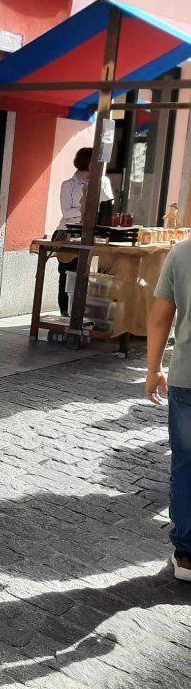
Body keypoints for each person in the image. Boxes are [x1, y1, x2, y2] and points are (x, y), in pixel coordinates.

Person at [146, 239, 191, 581]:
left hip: (187, 377)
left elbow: (160, 318)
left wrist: (153, 369)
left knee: (186, 467)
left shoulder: (182, 252)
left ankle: (187, 556)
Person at [54, 147, 115, 316]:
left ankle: (92, 311)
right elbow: (67, 213)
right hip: (68, 232)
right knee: (68, 273)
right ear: (86, 162)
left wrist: (100, 185)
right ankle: (66, 310)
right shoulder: (69, 185)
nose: (99, 165)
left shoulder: (103, 181)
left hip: (94, 233)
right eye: (96, 161)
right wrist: (87, 211)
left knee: (100, 272)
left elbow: (107, 207)